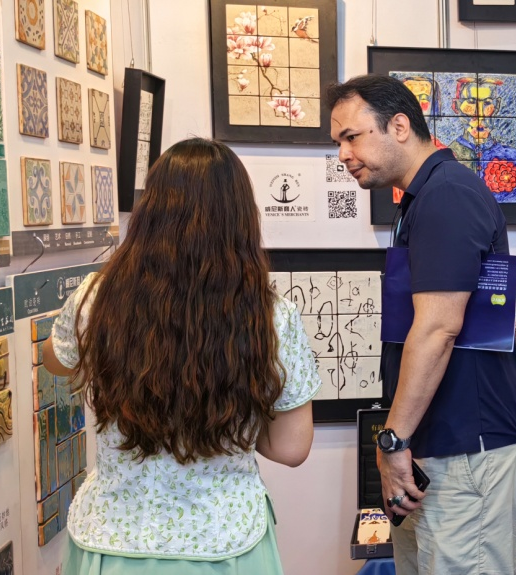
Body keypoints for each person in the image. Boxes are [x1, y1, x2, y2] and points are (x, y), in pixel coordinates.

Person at [44, 138, 321, 574]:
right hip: (226, 542)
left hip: (112, 539)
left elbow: (56, 360)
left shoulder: (96, 299)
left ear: (149, 213)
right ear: (241, 218)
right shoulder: (271, 316)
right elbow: (291, 447)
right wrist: (233, 422)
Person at [326, 75, 516, 574]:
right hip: (441, 451)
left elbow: (437, 329)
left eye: (351, 136)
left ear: (399, 126)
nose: (343, 154)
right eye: (338, 141)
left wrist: (392, 441)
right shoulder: (423, 197)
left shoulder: (447, 194)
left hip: (468, 454)